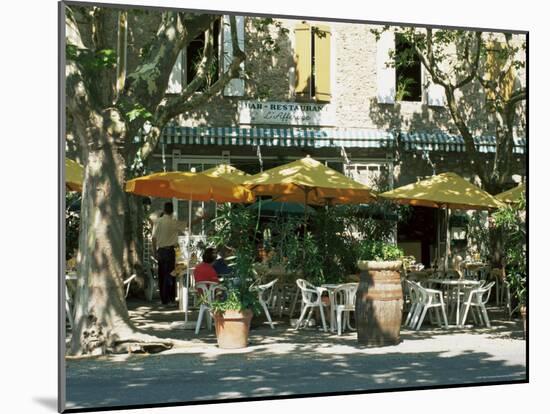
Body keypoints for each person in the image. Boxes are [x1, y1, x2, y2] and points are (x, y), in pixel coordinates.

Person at [152, 202, 187, 305]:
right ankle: (169, 299)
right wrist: (201, 218)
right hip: (170, 251)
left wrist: (155, 251)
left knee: (162, 275)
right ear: (172, 211)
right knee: (170, 275)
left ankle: (164, 300)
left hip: (161, 251)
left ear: (164, 210)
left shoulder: (157, 221)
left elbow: (153, 238)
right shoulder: (173, 222)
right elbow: (188, 225)